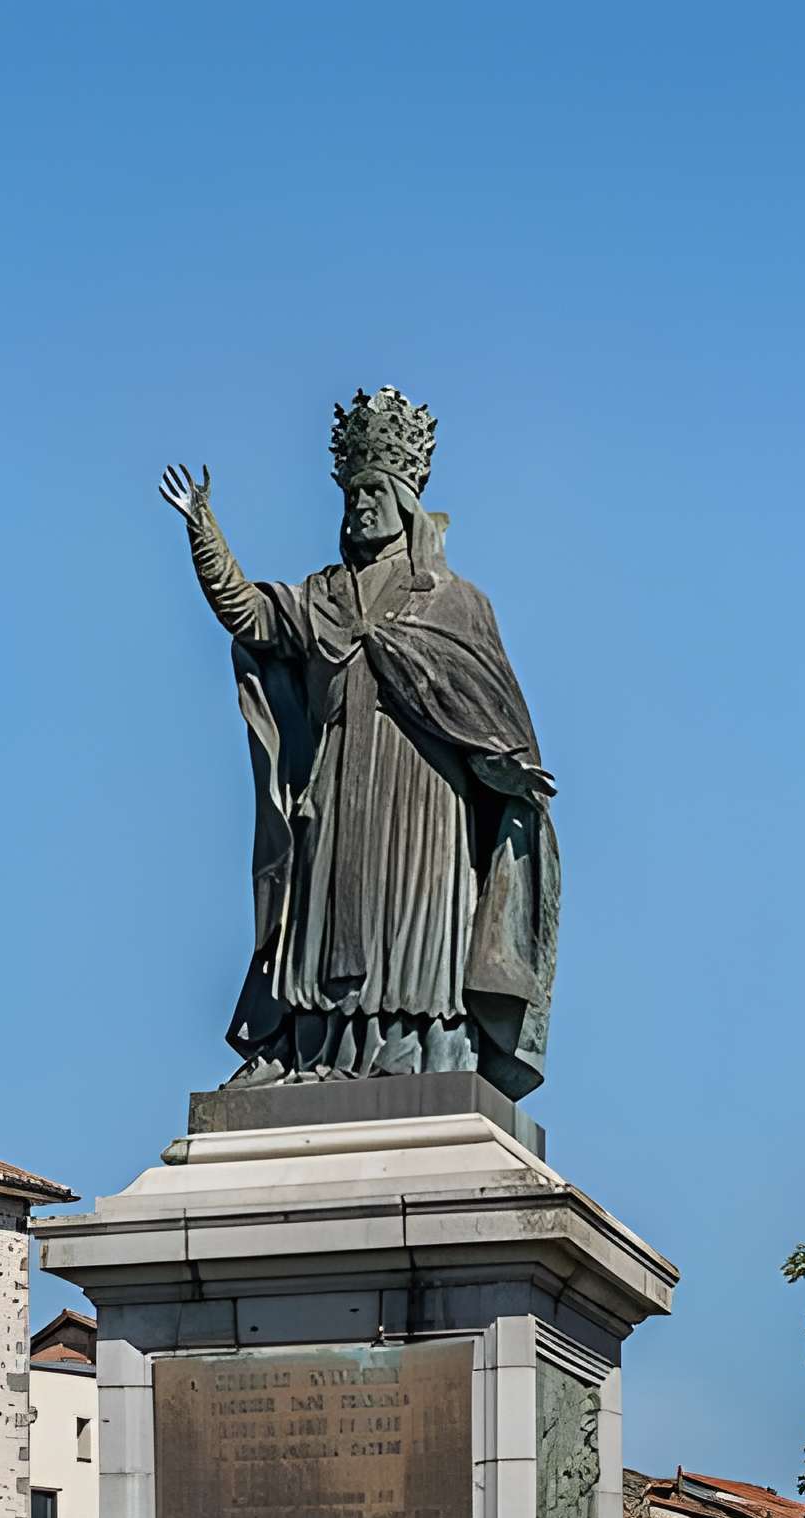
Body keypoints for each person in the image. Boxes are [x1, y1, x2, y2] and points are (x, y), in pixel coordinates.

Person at [160, 386, 559, 1097]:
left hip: (427, 798)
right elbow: (251, 614)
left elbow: (488, 713)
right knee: (323, 923)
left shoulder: (456, 601)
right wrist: (203, 531)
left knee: (416, 928)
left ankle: (423, 1049)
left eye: (375, 489)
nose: (361, 504)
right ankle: (321, 1048)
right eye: (353, 492)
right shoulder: (326, 596)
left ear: (406, 499)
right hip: (341, 786)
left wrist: (505, 773)